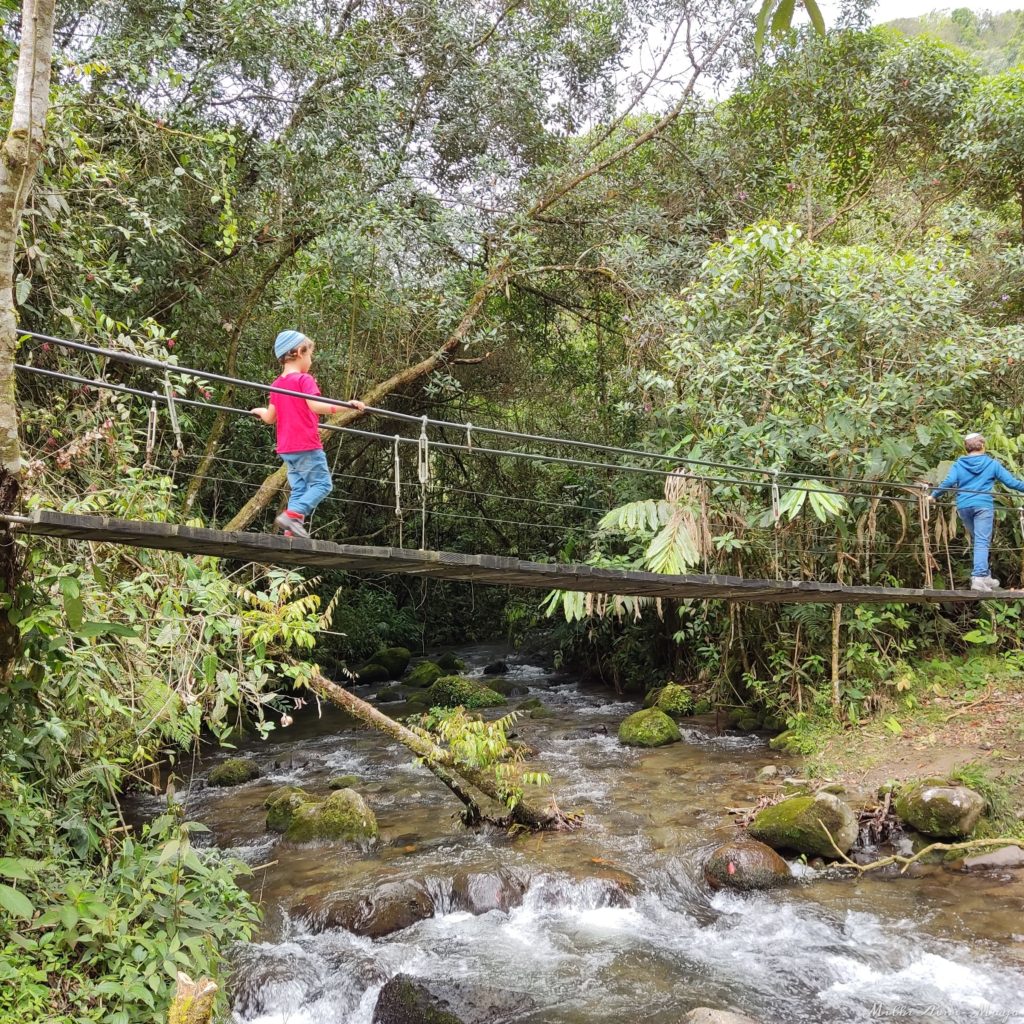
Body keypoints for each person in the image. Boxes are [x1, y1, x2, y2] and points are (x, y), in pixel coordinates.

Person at [251, 329, 365, 539]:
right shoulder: (304, 380)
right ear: (300, 352)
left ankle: (291, 530)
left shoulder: (277, 384)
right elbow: (316, 406)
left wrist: (258, 411)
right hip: (306, 445)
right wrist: (347, 406)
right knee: (322, 484)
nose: (311, 360)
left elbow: (269, 417)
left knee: (300, 488)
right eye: (310, 354)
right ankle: (292, 516)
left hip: (287, 449)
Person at [929, 432, 1024, 591]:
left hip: (964, 507)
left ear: (966, 448)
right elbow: (1011, 483)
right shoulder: (991, 464)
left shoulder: (959, 465)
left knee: (979, 540)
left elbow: (949, 482)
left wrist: (933, 495)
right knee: (982, 540)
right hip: (982, 506)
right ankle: (979, 577)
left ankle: (985, 576)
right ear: (982, 445)